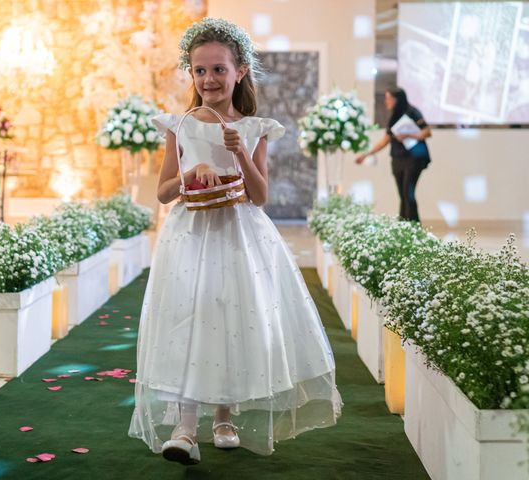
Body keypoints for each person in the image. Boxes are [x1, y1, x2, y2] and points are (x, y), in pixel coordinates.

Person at [128, 17, 342, 465]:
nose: (208, 79)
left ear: (239, 71)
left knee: (228, 313)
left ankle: (224, 418)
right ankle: (185, 428)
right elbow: (164, 193)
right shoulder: (180, 126)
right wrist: (189, 173)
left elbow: (261, 196)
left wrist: (239, 151)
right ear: (191, 73)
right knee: (190, 314)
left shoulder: (255, 127)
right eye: (200, 70)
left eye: (219, 70)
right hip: (190, 236)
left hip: (239, 234)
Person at [355, 87, 432, 222]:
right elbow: (385, 140)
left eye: (389, 99)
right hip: (398, 159)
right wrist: (366, 154)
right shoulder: (394, 116)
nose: (386, 102)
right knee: (402, 195)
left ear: (397, 99)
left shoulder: (413, 112)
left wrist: (409, 135)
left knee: (409, 193)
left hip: (413, 158)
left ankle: (414, 227)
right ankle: (402, 226)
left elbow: (427, 132)